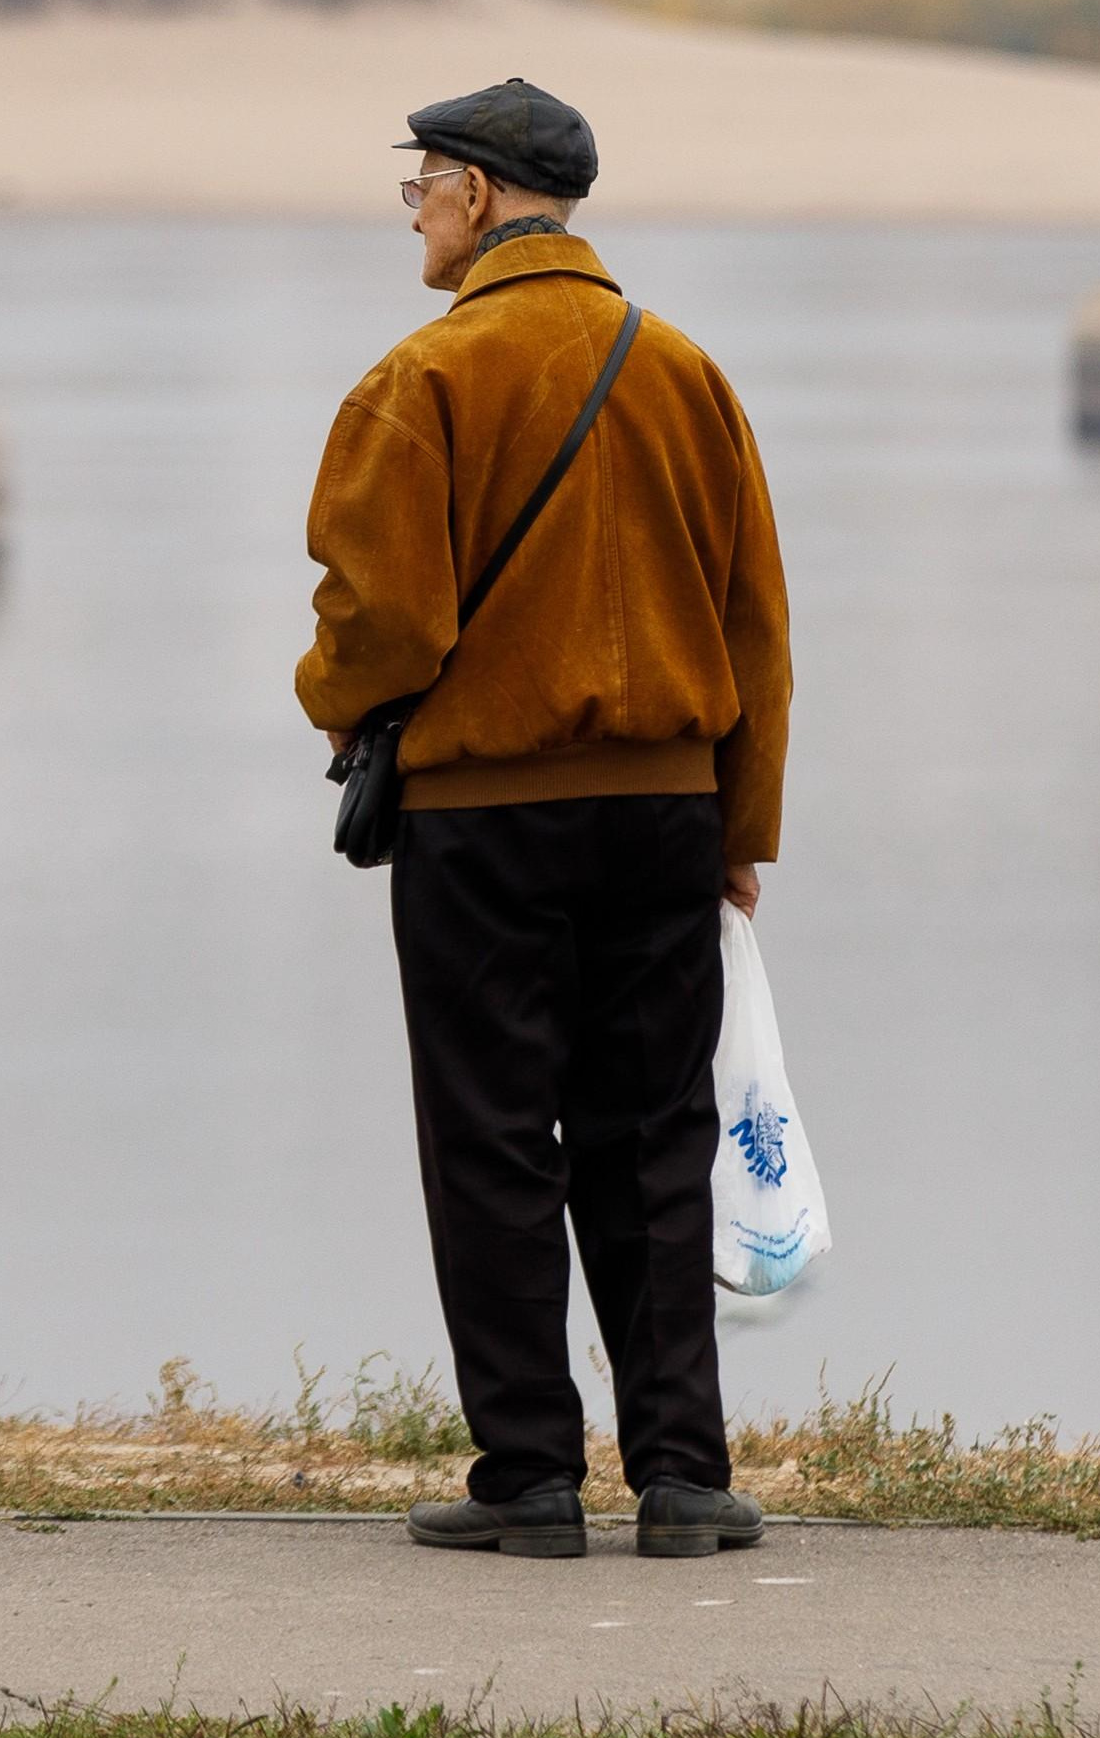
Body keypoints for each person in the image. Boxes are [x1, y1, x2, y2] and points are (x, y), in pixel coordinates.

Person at [294, 76, 793, 1561]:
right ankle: (685, 1477)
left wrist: (330, 696)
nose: (416, 215)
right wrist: (742, 827)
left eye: (419, 189)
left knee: (494, 1134)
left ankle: (527, 1476)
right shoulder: (689, 371)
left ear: (476, 191)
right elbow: (754, 622)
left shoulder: (421, 382)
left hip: (485, 819)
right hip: (663, 810)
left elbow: (376, 619)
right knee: (657, 1134)